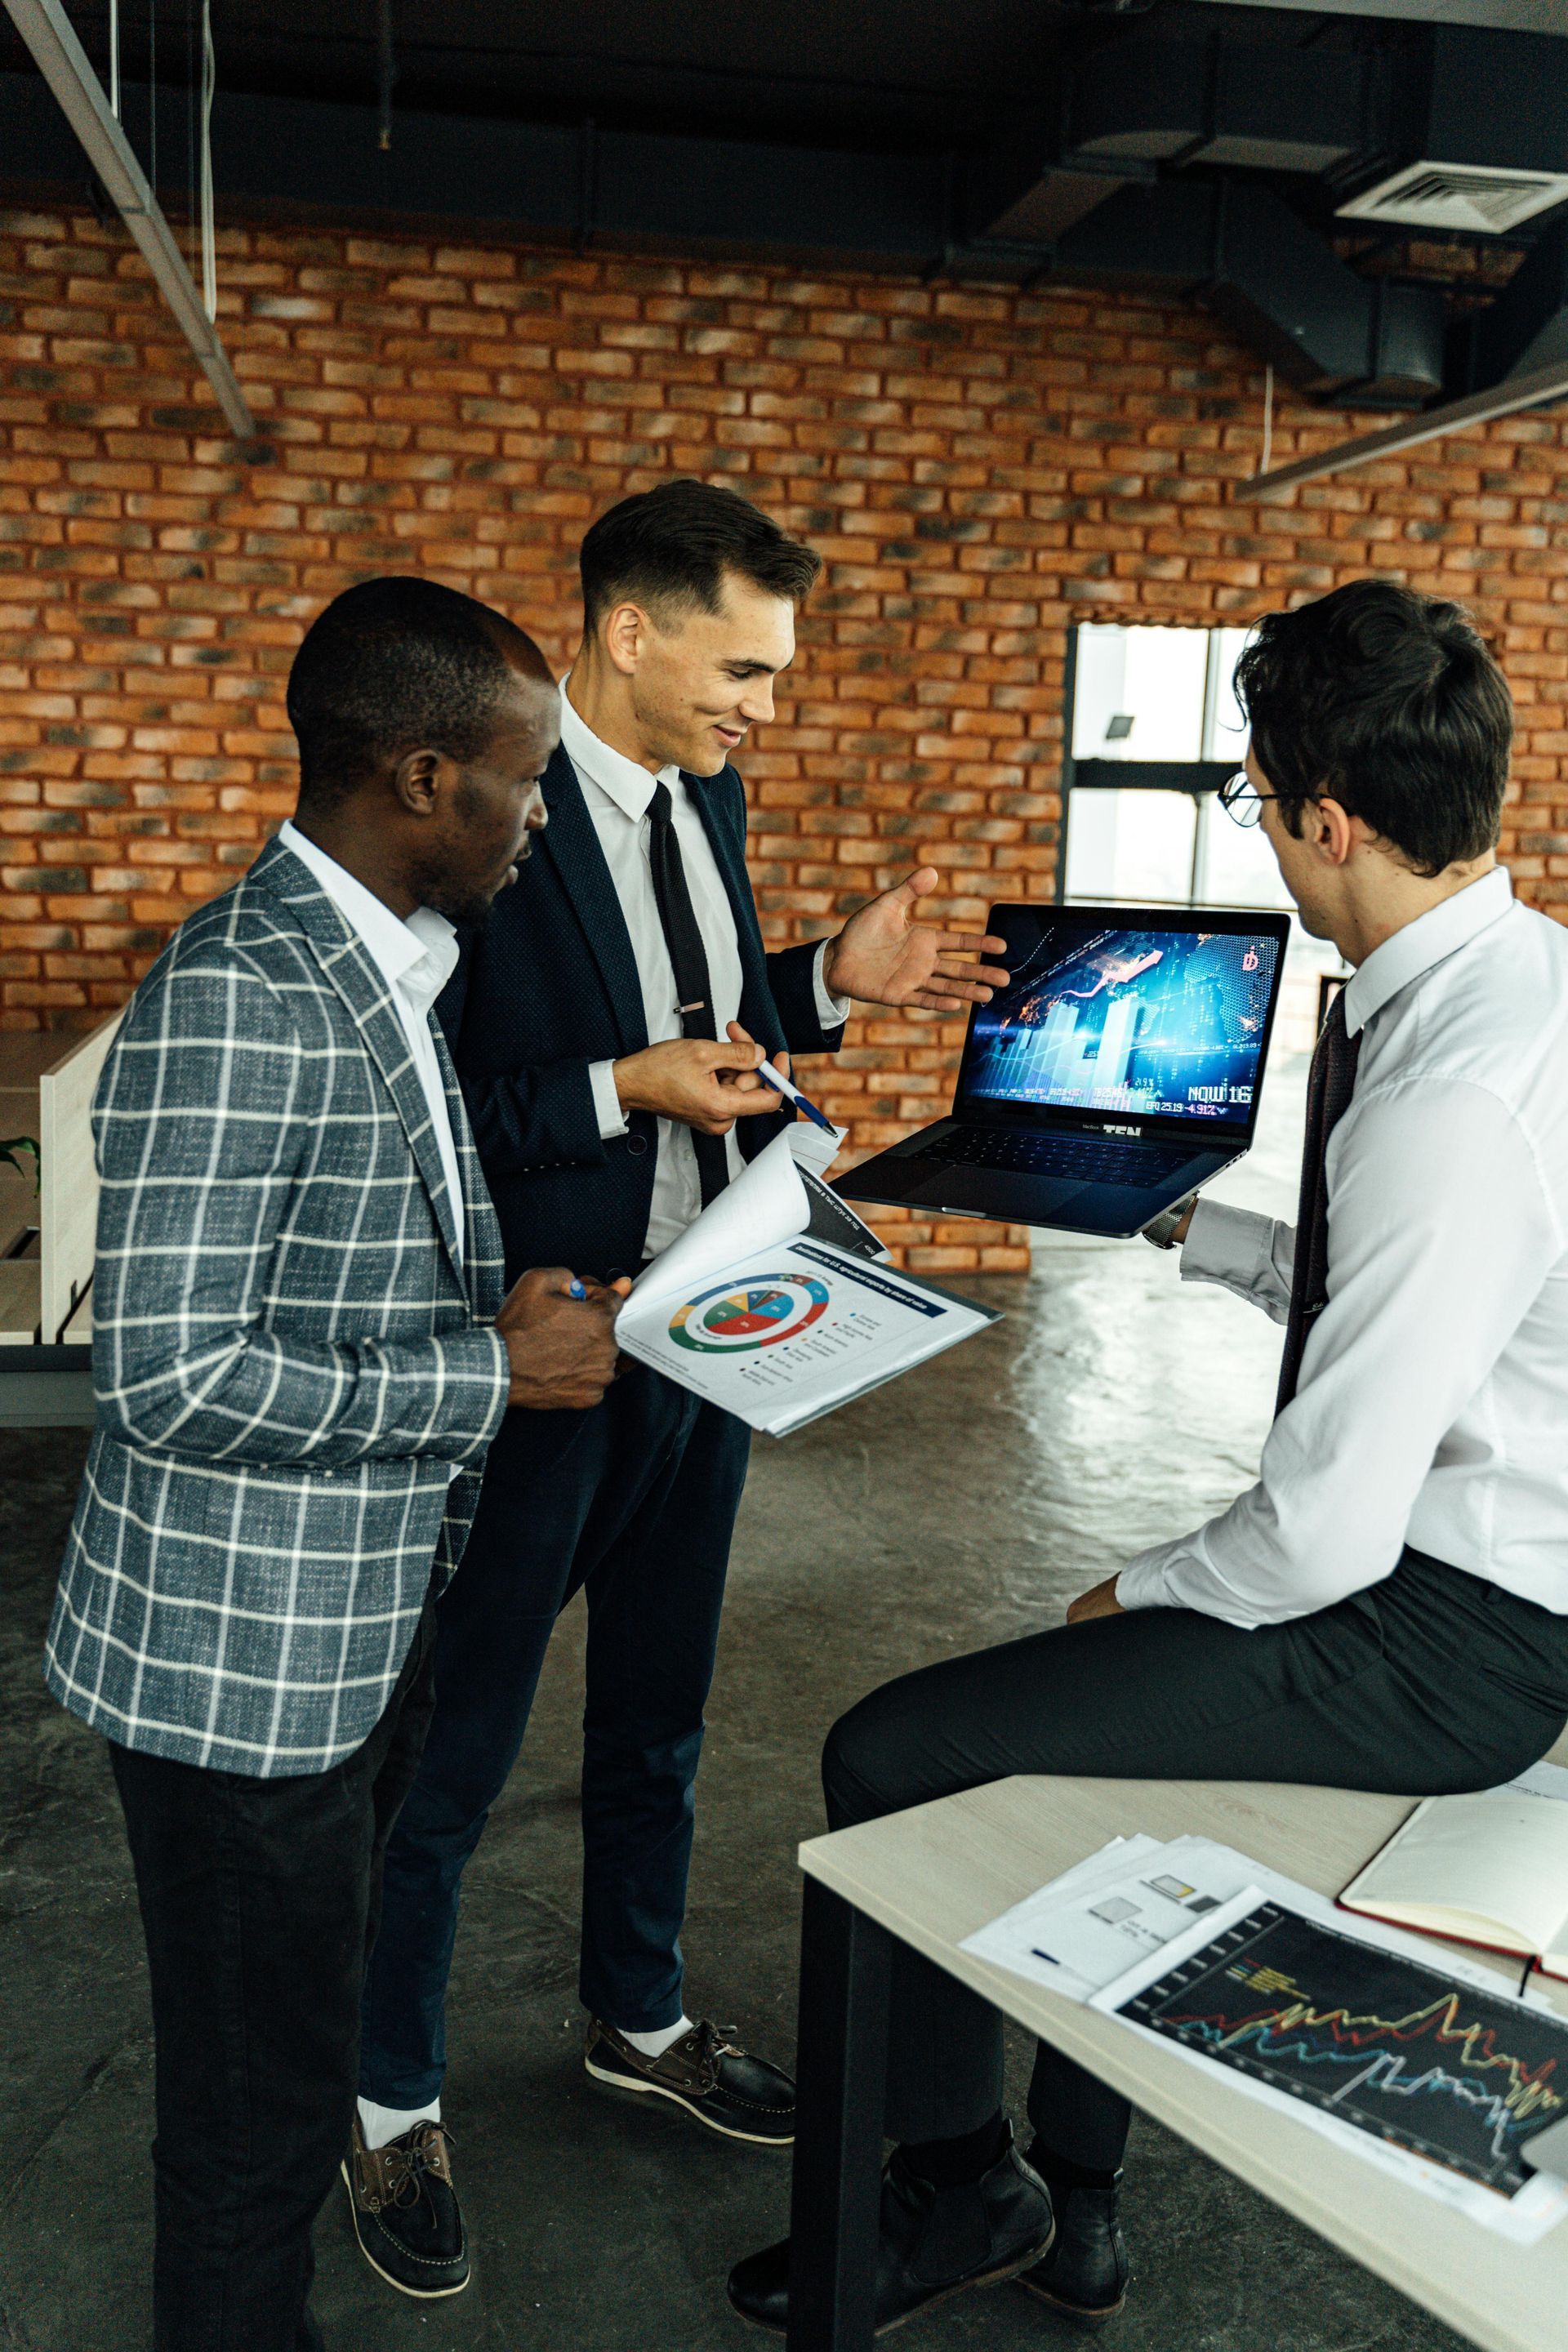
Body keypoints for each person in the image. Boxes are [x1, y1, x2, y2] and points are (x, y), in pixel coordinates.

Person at [728, 577, 1568, 2336]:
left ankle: (962, 2193)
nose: (1262, 838)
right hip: (1470, 1566)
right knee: (1106, 1740)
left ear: (1330, 818)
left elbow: (1323, 1532)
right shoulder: (1516, 984)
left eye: (1259, 805)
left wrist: (1132, 1590)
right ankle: (1080, 2205)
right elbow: (1457, 1294)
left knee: (902, 1751)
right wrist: (1213, 1234)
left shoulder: (1442, 1093)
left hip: (1452, 1631)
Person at [349, 479, 1011, 2297]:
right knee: (453, 1750)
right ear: (627, 634)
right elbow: (422, 1115)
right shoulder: (478, 791)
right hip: (545, 1348)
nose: (762, 709)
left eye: (776, 677)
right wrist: (620, 1096)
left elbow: (692, 1020)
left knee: (660, 1718)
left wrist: (817, 986)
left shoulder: (705, 784)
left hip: (708, 1331)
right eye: (742, 668)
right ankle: (387, 2095)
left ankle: (634, 2018)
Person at [42, 578, 626, 2352]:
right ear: (427, 777)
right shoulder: (244, 990)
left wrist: (488, 1300)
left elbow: (332, 1264)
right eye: (529, 782)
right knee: (249, 2134)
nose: (545, 818)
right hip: (239, 1687)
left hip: (341, 1642)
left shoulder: (380, 952)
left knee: (283, 2091)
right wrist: (488, 1372)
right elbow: (166, 1370)